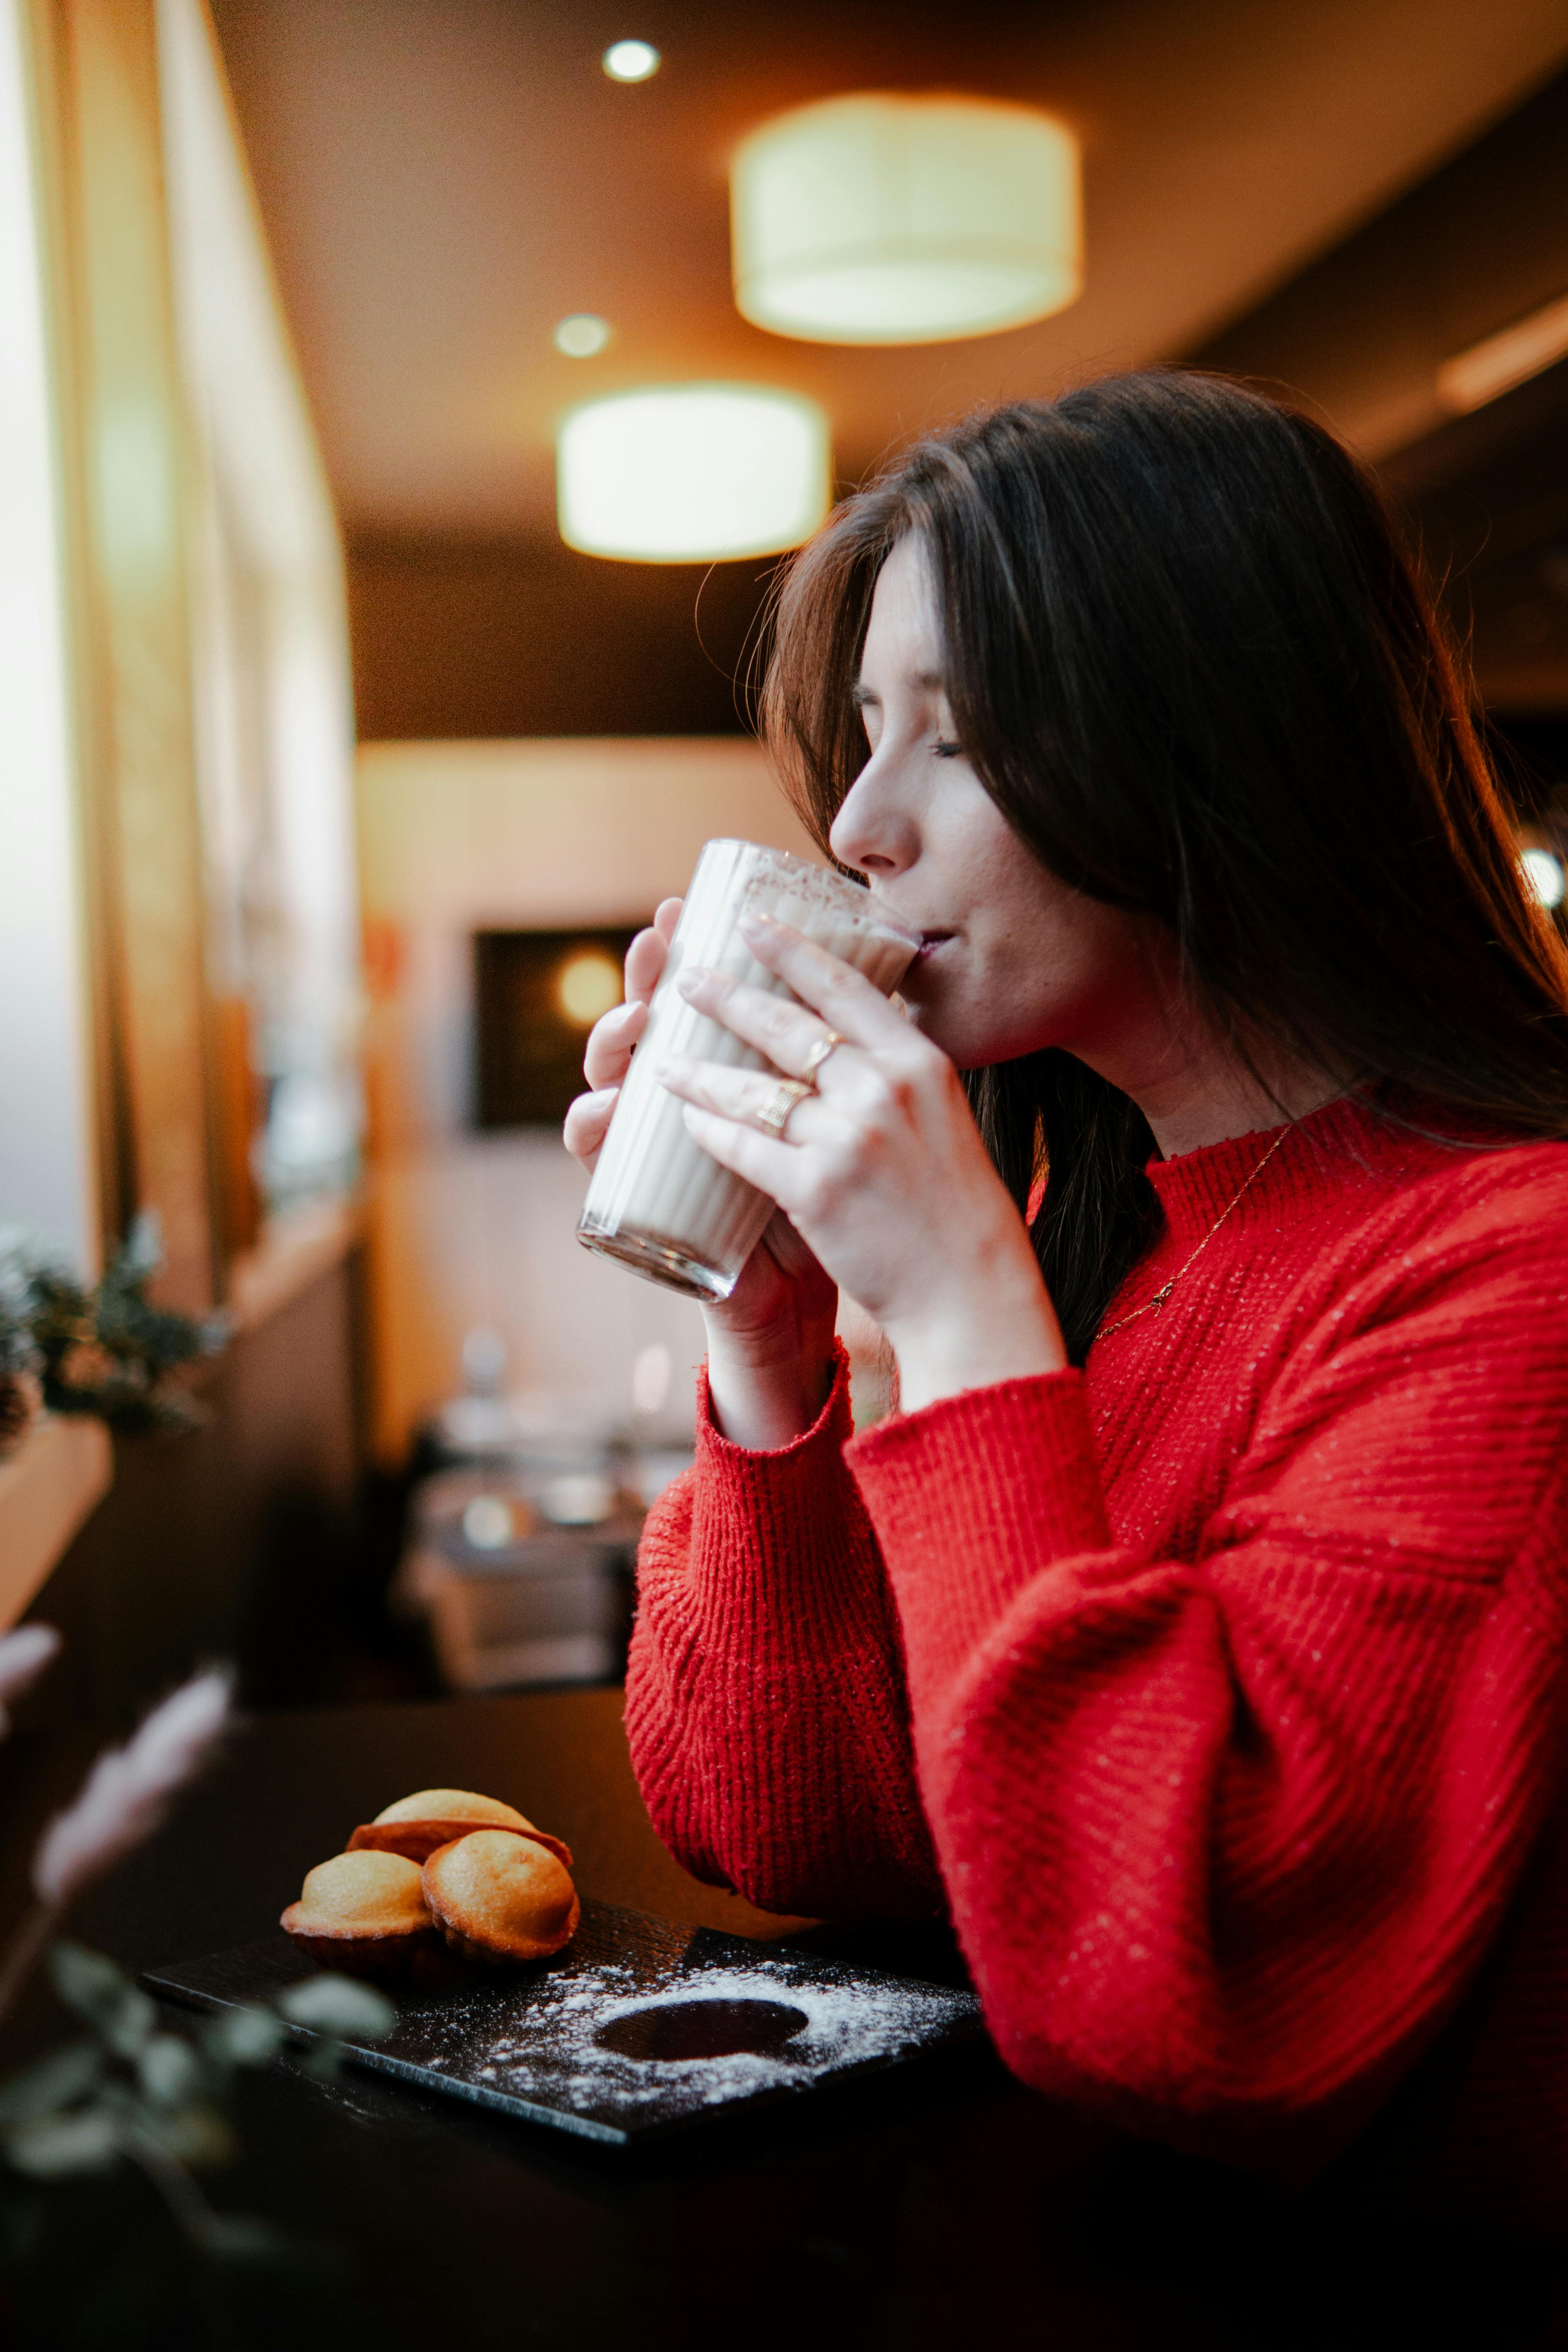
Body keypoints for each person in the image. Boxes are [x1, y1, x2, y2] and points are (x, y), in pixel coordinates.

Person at [564, 372, 1568, 2209]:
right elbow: (795, 1826)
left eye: (953, 735)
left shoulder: (1511, 1271)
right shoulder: (1113, 1227)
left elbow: (1185, 2007)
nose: (860, 820)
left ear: (1213, 744)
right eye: (867, 730)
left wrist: (955, 1316)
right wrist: (769, 1336)